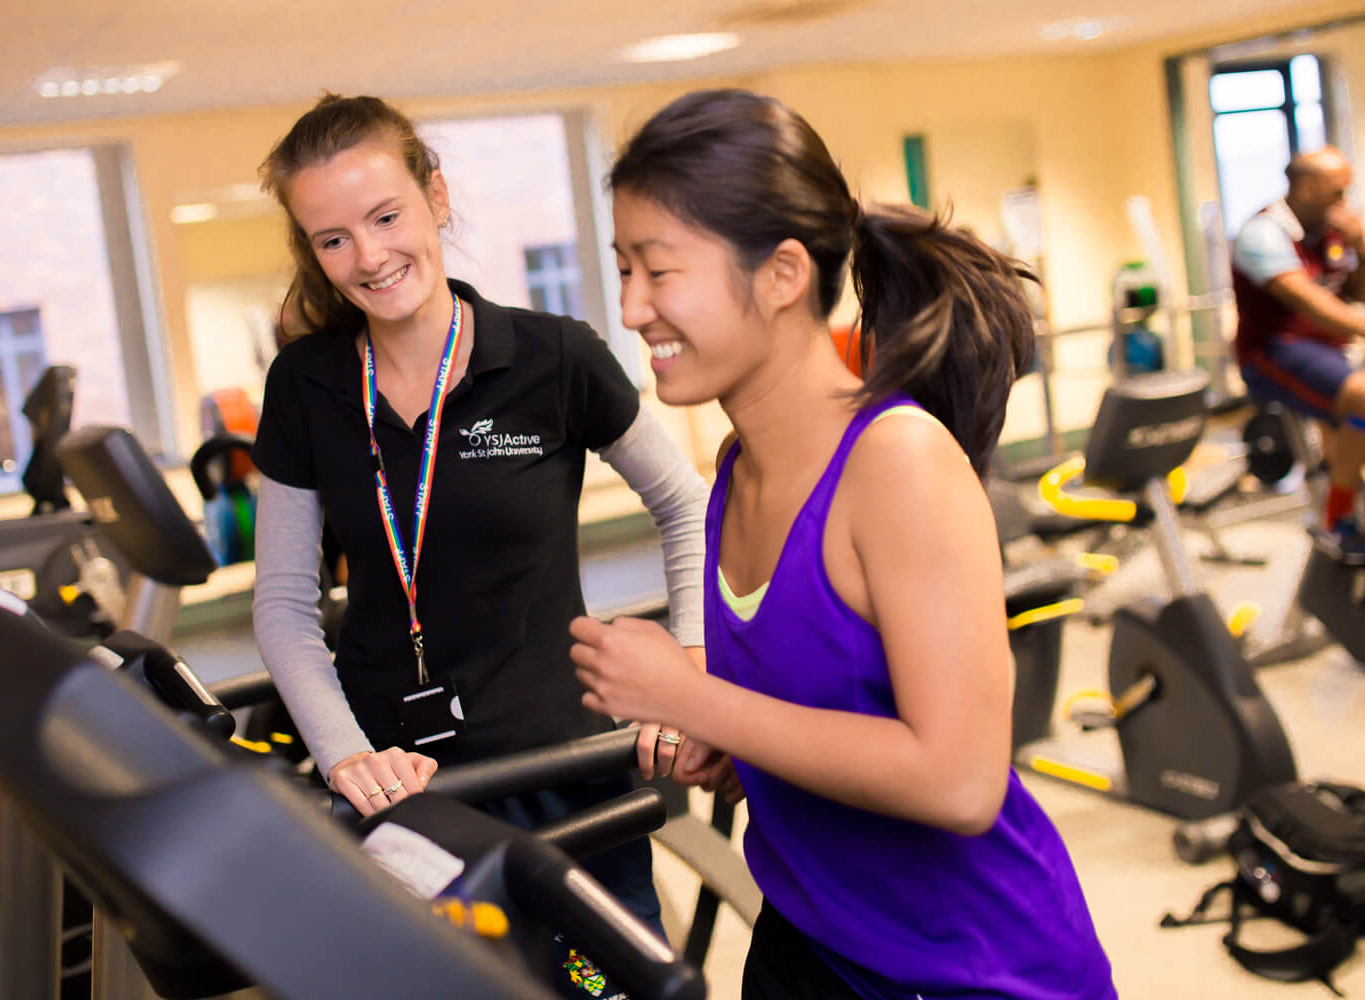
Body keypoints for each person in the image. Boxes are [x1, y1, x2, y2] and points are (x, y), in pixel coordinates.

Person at [570, 88, 1115, 999]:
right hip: (810, 939)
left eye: (657, 272)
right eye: (622, 269)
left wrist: (696, 700)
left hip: (970, 969)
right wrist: (736, 755)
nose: (631, 309)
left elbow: (959, 779)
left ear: (783, 274)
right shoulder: (737, 474)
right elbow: (827, 717)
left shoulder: (897, 463)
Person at [248, 93, 710, 970]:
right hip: (402, 794)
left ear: (437, 196)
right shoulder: (305, 385)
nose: (369, 257)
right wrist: (346, 757)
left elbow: (687, 505)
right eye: (332, 238)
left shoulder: (554, 356)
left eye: (386, 217)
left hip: (561, 772)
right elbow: (283, 603)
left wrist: (690, 669)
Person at [1232, 146, 1365, 551]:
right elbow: (1318, 308)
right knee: (1362, 396)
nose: (1344, 202)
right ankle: (1337, 515)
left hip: (1326, 350)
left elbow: (1357, 293)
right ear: (1306, 188)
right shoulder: (1263, 233)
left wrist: (1362, 243)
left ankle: (1344, 484)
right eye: (1337, 193)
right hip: (1273, 353)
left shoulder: (1331, 233)